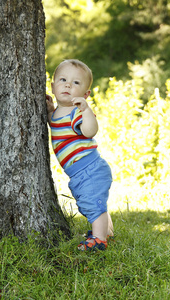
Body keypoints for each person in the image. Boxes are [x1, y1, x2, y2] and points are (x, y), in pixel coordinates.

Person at [46, 59, 114, 251]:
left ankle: (99, 240)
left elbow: (90, 131)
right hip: (80, 171)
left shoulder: (77, 112)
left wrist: (86, 111)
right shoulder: (60, 112)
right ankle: (106, 233)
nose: (68, 84)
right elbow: (57, 126)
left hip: (89, 168)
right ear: (53, 86)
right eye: (63, 80)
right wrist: (50, 111)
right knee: (91, 202)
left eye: (76, 83)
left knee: (92, 203)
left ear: (85, 94)